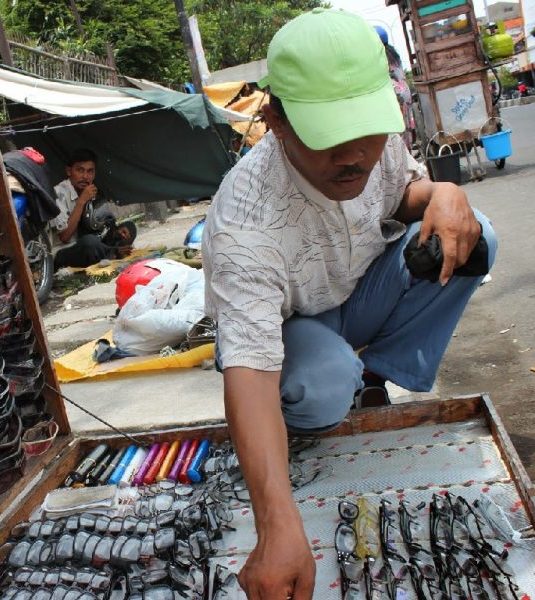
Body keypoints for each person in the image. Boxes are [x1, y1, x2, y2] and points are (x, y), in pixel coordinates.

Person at [202, 8, 496, 599]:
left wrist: (445, 192)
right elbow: (250, 371)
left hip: (355, 290)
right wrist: (277, 526)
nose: (354, 155)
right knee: (320, 389)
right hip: (294, 328)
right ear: (276, 121)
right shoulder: (244, 224)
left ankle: (376, 377)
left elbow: (402, 194)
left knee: (475, 235)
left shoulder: (377, 147)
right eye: (326, 133)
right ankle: (329, 393)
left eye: (364, 128)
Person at [50, 148, 136, 269]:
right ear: (69, 171)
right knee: (90, 244)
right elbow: (64, 236)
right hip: (67, 251)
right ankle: (113, 252)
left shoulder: (91, 190)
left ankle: (108, 252)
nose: (85, 176)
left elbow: (98, 225)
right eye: (80, 170)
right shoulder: (58, 193)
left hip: (93, 243)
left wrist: (115, 230)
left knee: (129, 227)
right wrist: (81, 202)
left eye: (90, 171)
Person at [375, 25, 415, 151]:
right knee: (405, 128)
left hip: (394, 95)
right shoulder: (393, 53)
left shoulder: (380, 56)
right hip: (405, 93)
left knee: (395, 132)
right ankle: (407, 155)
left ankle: (401, 159)